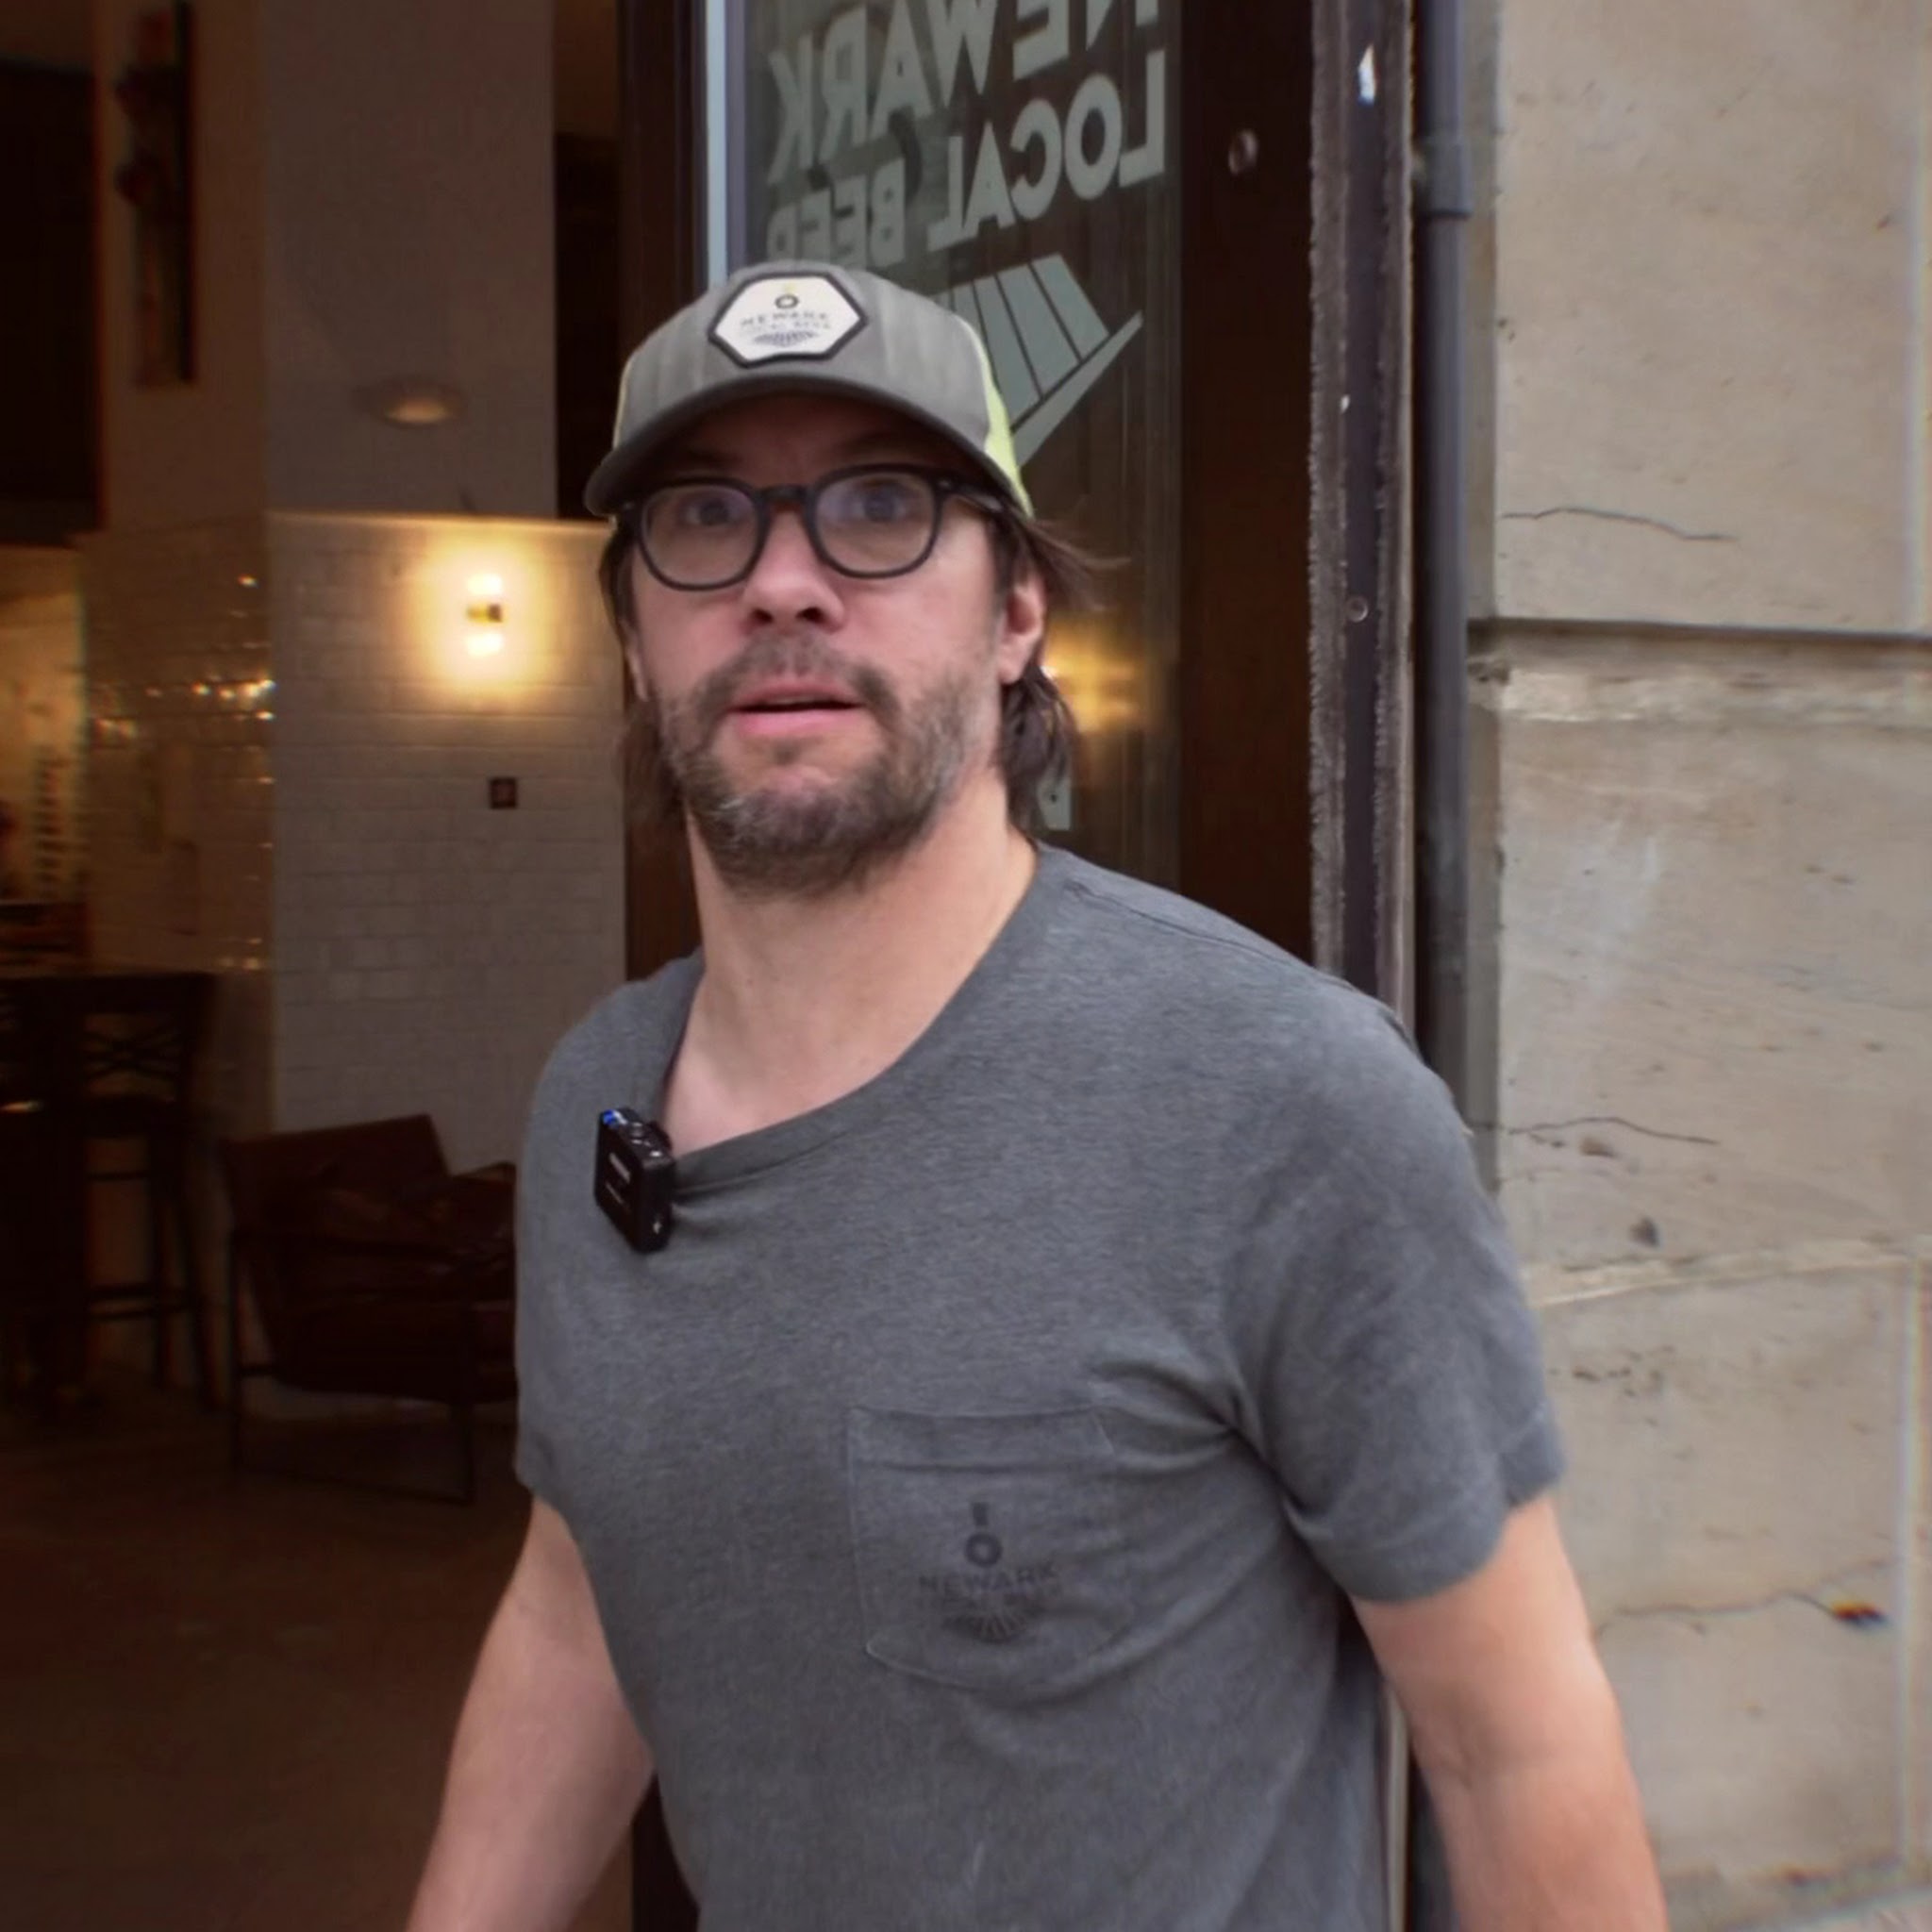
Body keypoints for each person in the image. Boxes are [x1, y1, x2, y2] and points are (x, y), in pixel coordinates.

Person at [408, 261, 1663, 1932]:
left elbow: (1517, 1754)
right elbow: (581, 1607)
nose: (783, 582)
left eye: (880, 507)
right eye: (704, 518)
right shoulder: (597, 1099)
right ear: (634, 640)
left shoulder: (1278, 1100)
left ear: (1015, 616)